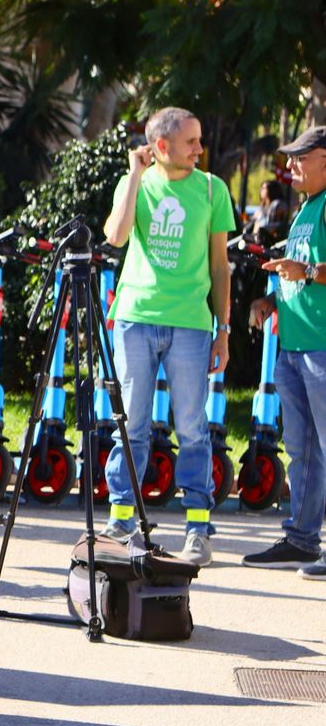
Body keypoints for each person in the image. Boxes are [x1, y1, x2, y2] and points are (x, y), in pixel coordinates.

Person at [101, 107, 234, 565]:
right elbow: (116, 237)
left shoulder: (213, 189)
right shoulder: (134, 183)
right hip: (135, 317)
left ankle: (197, 528)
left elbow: (220, 266)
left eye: (199, 139)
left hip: (191, 324)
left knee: (193, 428)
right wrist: (135, 174)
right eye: (191, 141)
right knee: (130, 426)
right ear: (161, 146)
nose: (200, 148)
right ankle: (121, 519)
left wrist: (223, 330)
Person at [242, 127, 326, 579]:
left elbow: (309, 271)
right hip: (295, 348)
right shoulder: (306, 209)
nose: (290, 166)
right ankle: (302, 540)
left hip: (321, 347)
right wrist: (271, 301)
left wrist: (305, 270)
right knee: (303, 451)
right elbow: (301, 276)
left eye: (300, 158)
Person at [252, 179, 290, 246]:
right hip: (258, 241)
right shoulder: (263, 206)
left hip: (271, 244)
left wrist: (260, 222)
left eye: (264, 188)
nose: (261, 190)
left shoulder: (278, 204)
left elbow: (276, 227)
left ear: (271, 190)